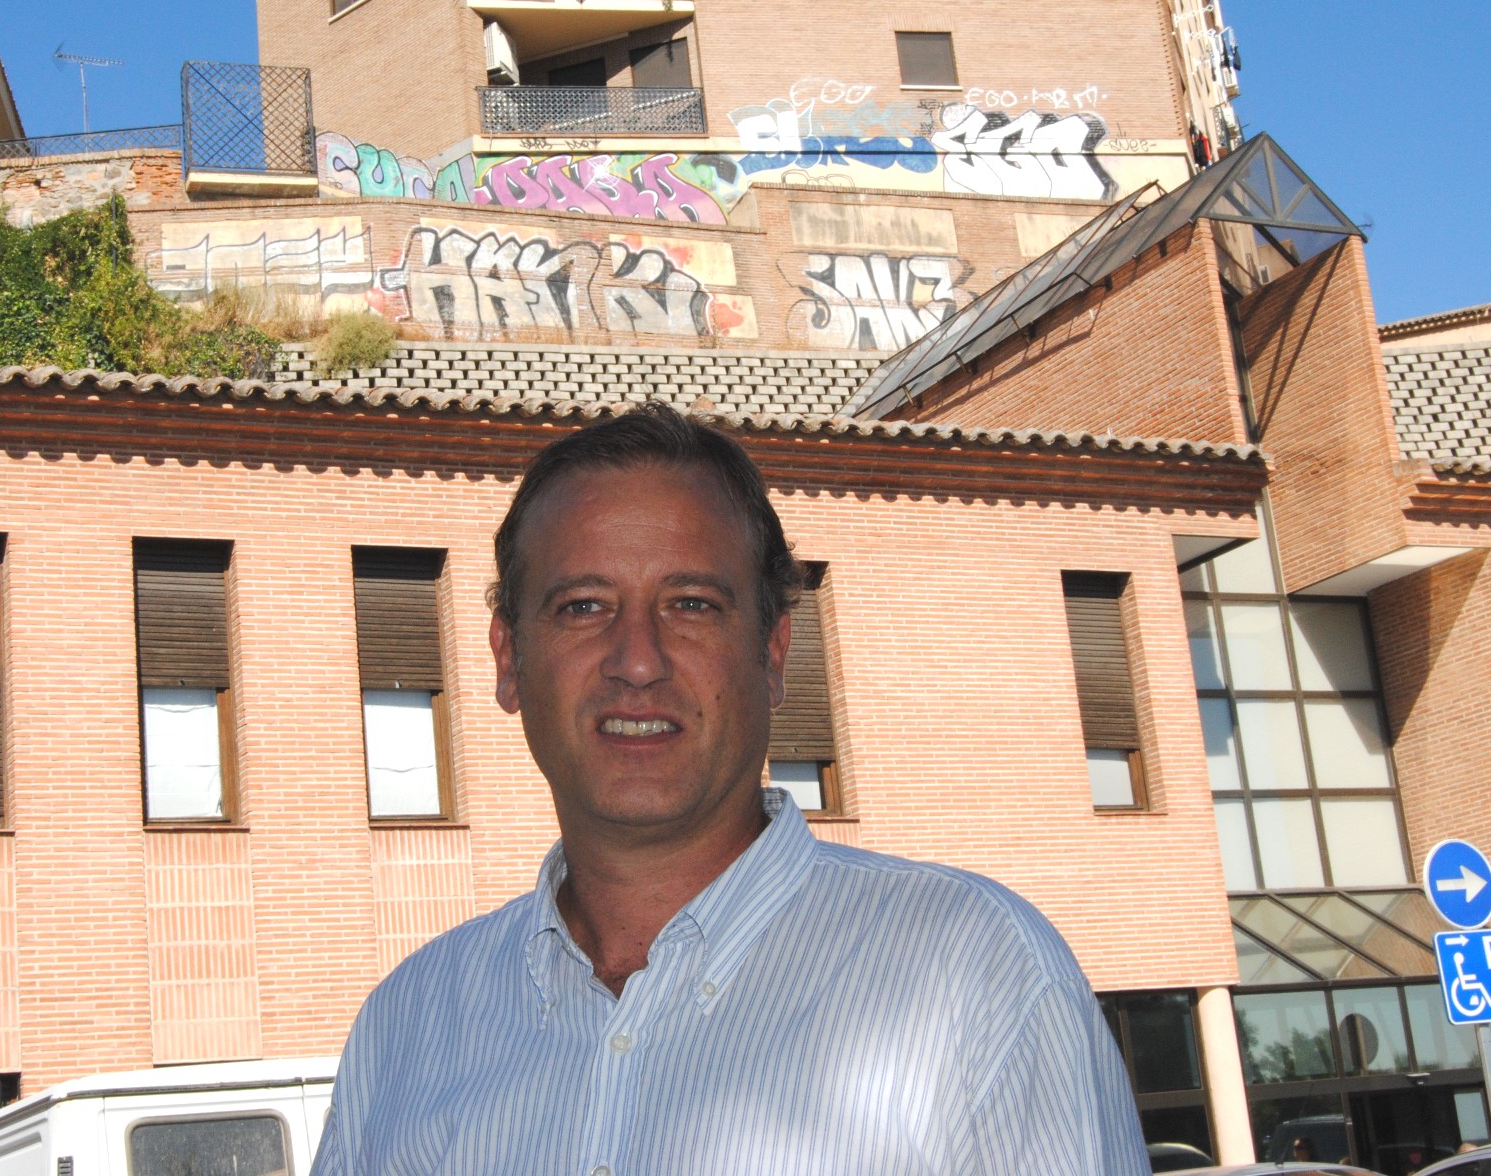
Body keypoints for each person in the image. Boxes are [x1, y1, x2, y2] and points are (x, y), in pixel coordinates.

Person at [313, 403, 1148, 1176]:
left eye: (691, 604)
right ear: (508, 660)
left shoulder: (981, 976)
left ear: (773, 654)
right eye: (583, 607)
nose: (637, 661)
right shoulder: (403, 1031)